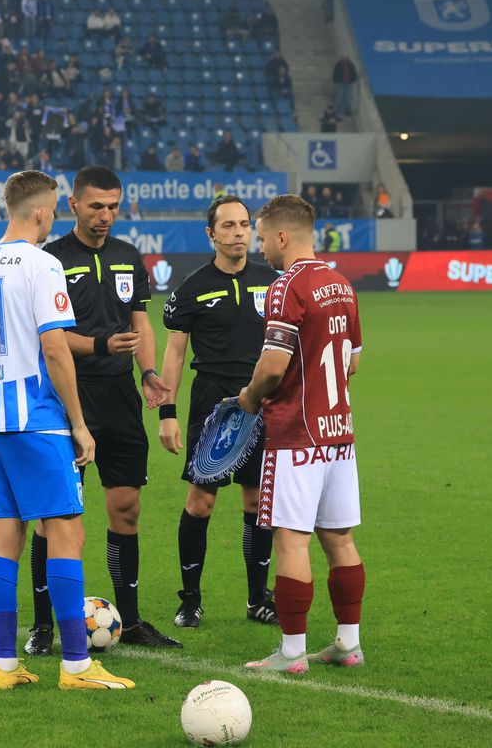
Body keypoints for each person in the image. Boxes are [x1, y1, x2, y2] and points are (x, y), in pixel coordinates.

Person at [0, 170, 134, 691]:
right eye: (53, 208)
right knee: (67, 532)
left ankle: (4, 665)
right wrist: (78, 423)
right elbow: (55, 349)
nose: (53, 216)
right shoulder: (43, 264)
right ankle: (77, 665)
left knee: (5, 534)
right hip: (36, 419)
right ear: (40, 211)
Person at [29, 166, 183, 654]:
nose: (105, 215)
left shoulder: (127, 255)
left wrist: (148, 372)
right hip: (66, 398)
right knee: (53, 519)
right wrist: (99, 345)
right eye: (96, 206)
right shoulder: (50, 260)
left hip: (119, 400)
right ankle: (43, 626)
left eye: (113, 206)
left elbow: (141, 323)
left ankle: (130, 621)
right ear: (73, 205)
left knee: (126, 509)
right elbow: (50, 337)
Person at [238, 194, 367, 674]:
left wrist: (250, 397)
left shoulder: (286, 286)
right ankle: (348, 644)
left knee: (291, 542)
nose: (260, 246)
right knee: (340, 539)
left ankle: (292, 653)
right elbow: (353, 362)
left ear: (282, 236)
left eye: (262, 237)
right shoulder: (341, 283)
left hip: (296, 435)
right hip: (339, 434)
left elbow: (273, 367)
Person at [159, 196, 281, 629]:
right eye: (228, 225)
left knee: (257, 501)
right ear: (210, 234)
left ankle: (257, 599)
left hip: (263, 400)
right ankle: (190, 599)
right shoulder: (192, 288)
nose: (238, 232)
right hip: (213, 403)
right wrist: (167, 412)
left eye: (244, 224)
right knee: (201, 502)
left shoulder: (273, 282)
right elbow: (175, 354)